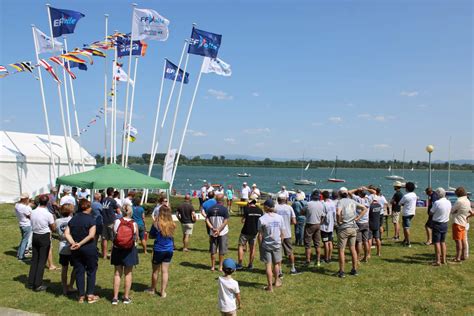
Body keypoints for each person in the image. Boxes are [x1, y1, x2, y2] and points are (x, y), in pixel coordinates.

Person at [64, 199, 99, 303]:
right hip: (88, 248)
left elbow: (66, 233)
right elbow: (91, 235)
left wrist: (73, 243)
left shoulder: (73, 219)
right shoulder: (91, 219)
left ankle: (80, 296)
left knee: (79, 270)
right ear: (88, 208)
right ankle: (90, 295)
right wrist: (80, 243)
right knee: (91, 271)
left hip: (76, 249)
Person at [111, 204, 139, 305]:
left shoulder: (117, 221)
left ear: (122, 211)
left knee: (117, 273)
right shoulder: (134, 223)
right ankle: (126, 297)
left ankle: (115, 298)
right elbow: (136, 238)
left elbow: (114, 234)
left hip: (118, 249)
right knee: (128, 273)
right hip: (130, 250)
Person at [336, 187, 367, 278]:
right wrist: (358, 218)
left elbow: (338, 213)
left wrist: (339, 221)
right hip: (353, 227)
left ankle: (341, 271)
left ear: (340, 194)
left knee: (341, 250)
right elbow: (364, 208)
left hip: (344, 227)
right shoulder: (352, 201)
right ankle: (354, 269)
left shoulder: (340, 202)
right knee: (353, 249)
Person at [146, 205, 176, 298]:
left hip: (158, 249)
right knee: (165, 271)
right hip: (169, 249)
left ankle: (153, 289)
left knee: (155, 271)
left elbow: (151, 235)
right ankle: (163, 292)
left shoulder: (156, 223)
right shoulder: (172, 224)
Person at [28, 194, 56, 291]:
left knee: (35, 259)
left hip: (35, 235)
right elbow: (53, 227)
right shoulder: (48, 214)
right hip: (44, 236)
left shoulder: (33, 212)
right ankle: (38, 284)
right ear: (47, 202)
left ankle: (31, 282)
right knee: (42, 261)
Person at [258, 199, 284, 292]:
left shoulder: (262, 219)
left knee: (268, 265)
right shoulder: (279, 217)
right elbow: (282, 233)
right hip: (277, 244)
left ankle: (270, 287)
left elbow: (260, 235)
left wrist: (260, 246)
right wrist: (280, 243)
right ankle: (276, 282)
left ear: (266, 207)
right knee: (276, 264)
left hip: (266, 245)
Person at [55, 203, 76, 295]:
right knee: (75, 267)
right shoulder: (73, 220)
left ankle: (64, 288)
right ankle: (71, 285)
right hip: (72, 245)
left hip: (62, 246)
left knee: (64, 268)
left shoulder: (57, 221)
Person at [236, 199, 263, 270]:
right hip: (254, 232)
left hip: (245, 231)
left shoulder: (247, 209)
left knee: (241, 246)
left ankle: (240, 264)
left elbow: (243, 220)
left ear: (249, 203)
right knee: (252, 248)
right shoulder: (260, 210)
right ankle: (250, 264)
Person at [275, 194, 298, 274]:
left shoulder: (275, 207)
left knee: (278, 253)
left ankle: (280, 271)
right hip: (287, 233)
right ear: (286, 199)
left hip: (277, 233)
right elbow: (294, 221)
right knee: (290, 252)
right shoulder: (289, 208)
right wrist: (288, 223)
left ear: (278, 199)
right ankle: (292, 268)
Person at [206, 194, 230, 271]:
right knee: (221, 250)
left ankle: (212, 266)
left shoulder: (210, 209)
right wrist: (219, 230)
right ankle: (220, 267)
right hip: (222, 232)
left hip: (213, 232)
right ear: (222, 200)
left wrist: (212, 228)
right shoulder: (224, 209)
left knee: (213, 250)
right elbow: (225, 221)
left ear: (216, 200)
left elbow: (206, 219)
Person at [302, 190, 325, 267]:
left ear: (312, 196)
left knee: (308, 244)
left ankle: (308, 260)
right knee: (317, 244)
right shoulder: (321, 204)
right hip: (317, 224)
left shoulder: (308, 204)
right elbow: (323, 215)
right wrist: (320, 222)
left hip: (309, 224)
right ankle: (318, 260)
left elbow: (302, 212)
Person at [450, 187, 474, 262]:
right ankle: (463, 255)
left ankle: (458, 257)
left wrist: (455, 212)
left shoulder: (459, 201)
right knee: (463, 239)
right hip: (464, 222)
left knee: (458, 241)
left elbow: (452, 210)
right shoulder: (467, 200)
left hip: (457, 222)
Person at [429, 188, 451, 266]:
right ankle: (444, 259)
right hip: (445, 223)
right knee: (443, 241)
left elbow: (431, 212)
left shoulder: (437, 203)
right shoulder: (448, 202)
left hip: (437, 223)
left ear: (438, 194)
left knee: (437, 242)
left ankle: (438, 260)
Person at [350, 189, 370, 262]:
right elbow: (372, 193)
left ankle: (357, 258)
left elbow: (349, 192)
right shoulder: (368, 199)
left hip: (359, 222)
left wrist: (358, 189)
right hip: (366, 222)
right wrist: (365, 189)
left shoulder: (357, 199)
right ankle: (366, 257)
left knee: (359, 241)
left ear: (360, 194)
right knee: (366, 241)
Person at [101, 187, 120, 259]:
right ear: (112, 193)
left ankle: (104, 255)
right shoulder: (113, 201)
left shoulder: (103, 200)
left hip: (104, 221)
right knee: (113, 239)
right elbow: (118, 211)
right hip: (112, 221)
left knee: (104, 238)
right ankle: (112, 255)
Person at [399, 182, 417, 247]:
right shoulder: (414, 194)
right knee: (405, 226)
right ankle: (405, 239)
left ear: (407, 188)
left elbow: (400, 203)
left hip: (406, 213)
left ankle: (408, 242)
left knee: (406, 228)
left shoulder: (406, 196)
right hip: (412, 212)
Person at [15, 193, 32, 261]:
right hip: (26, 225)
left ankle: (19, 253)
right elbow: (30, 216)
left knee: (23, 240)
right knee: (25, 241)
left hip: (22, 224)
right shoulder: (24, 207)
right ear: (25, 199)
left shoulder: (17, 205)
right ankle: (21, 257)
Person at [321, 190, 336, 263]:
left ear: (323, 196)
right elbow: (334, 213)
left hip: (325, 226)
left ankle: (326, 258)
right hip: (331, 225)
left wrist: (320, 222)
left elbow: (323, 215)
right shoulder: (332, 203)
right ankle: (329, 256)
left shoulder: (324, 204)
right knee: (330, 242)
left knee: (326, 243)